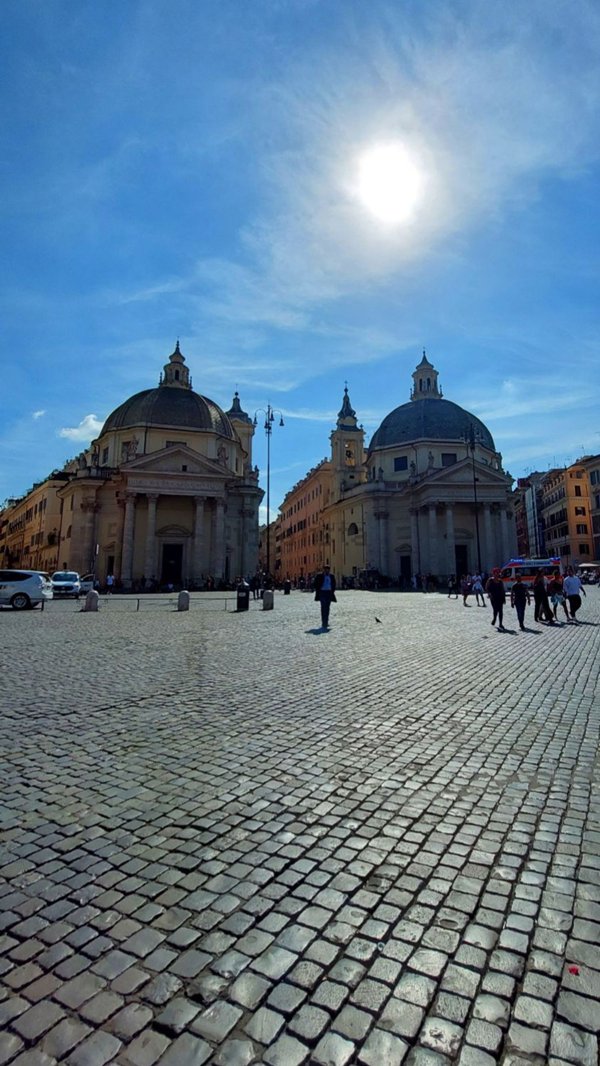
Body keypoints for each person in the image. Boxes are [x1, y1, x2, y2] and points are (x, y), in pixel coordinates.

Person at [314, 564, 337, 629]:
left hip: (329, 593)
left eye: (328, 569)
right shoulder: (319, 576)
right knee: (323, 607)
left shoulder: (331, 576)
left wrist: (333, 591)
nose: (327, 570)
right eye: (326, 569)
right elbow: (315, 583)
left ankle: (326, 621)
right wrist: (318, 589)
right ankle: (324, 622)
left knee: (327, 607)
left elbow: (334, 584)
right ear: (324, 570)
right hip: (322, 592)